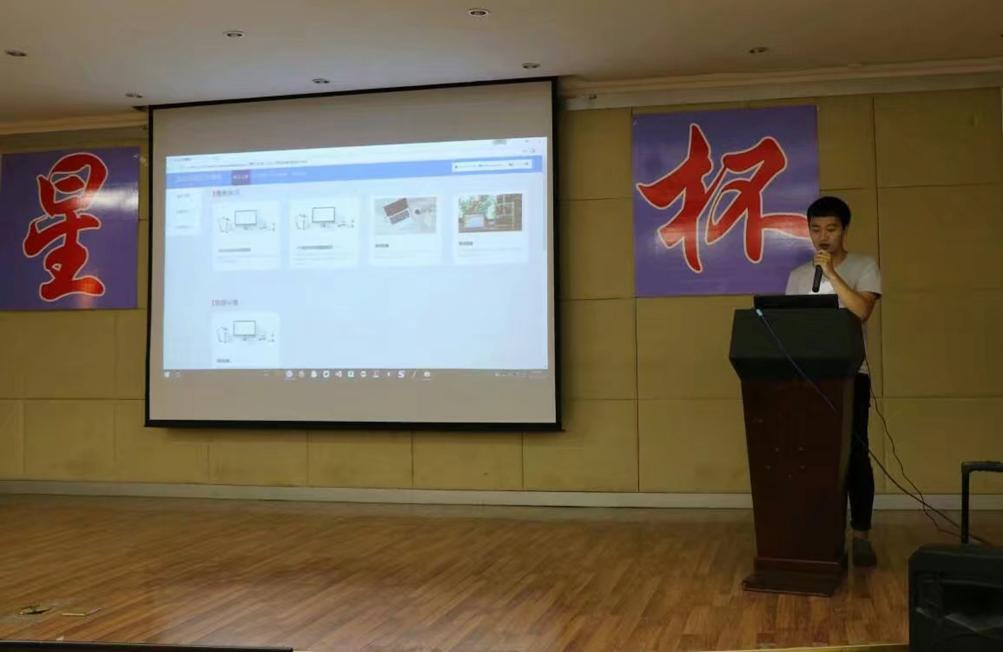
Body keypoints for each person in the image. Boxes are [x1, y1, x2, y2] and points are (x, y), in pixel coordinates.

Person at [785, 195, 881, 567]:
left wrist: (832, 275)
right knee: (813, 453)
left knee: (855, 454)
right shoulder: (797, 276)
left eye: (831, 229)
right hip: (809, 378)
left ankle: (861, 535)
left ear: (844, 230)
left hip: (851, 375)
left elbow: (862, 310)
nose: (823, 237)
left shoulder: (864, 266)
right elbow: (791, 327)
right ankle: (820, 530)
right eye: (816, 229)